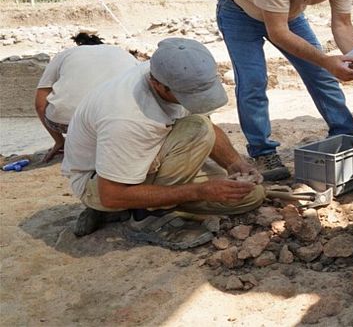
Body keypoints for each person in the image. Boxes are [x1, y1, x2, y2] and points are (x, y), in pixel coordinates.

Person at [62, 38, 266, 249]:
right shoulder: (127, 117)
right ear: (157, 84)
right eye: (188, 96)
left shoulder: (175, 72)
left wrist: (234, 163)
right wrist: (200, 191)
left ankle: (136, 206)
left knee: (250, 196)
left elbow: (207, 124)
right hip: (102, 184)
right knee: (198, 127)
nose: (194, 100)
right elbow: (111, 194)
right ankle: (146, 217)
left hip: (145, 161)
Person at [217, 0, 353, 177]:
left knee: (320, 75)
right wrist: (328, 61)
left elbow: (342, 23)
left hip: (289, 14)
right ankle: (263, 153)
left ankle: (344, 136)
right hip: (241, 12)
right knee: (253, 81)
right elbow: (278, 32)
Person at [35, 32, 138, 162]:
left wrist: (59, 141)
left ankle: (66, 143)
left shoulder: (64, 55)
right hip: (119, 122)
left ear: (80, 44)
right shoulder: (123, 54)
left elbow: (40, 104)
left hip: (67, 123)